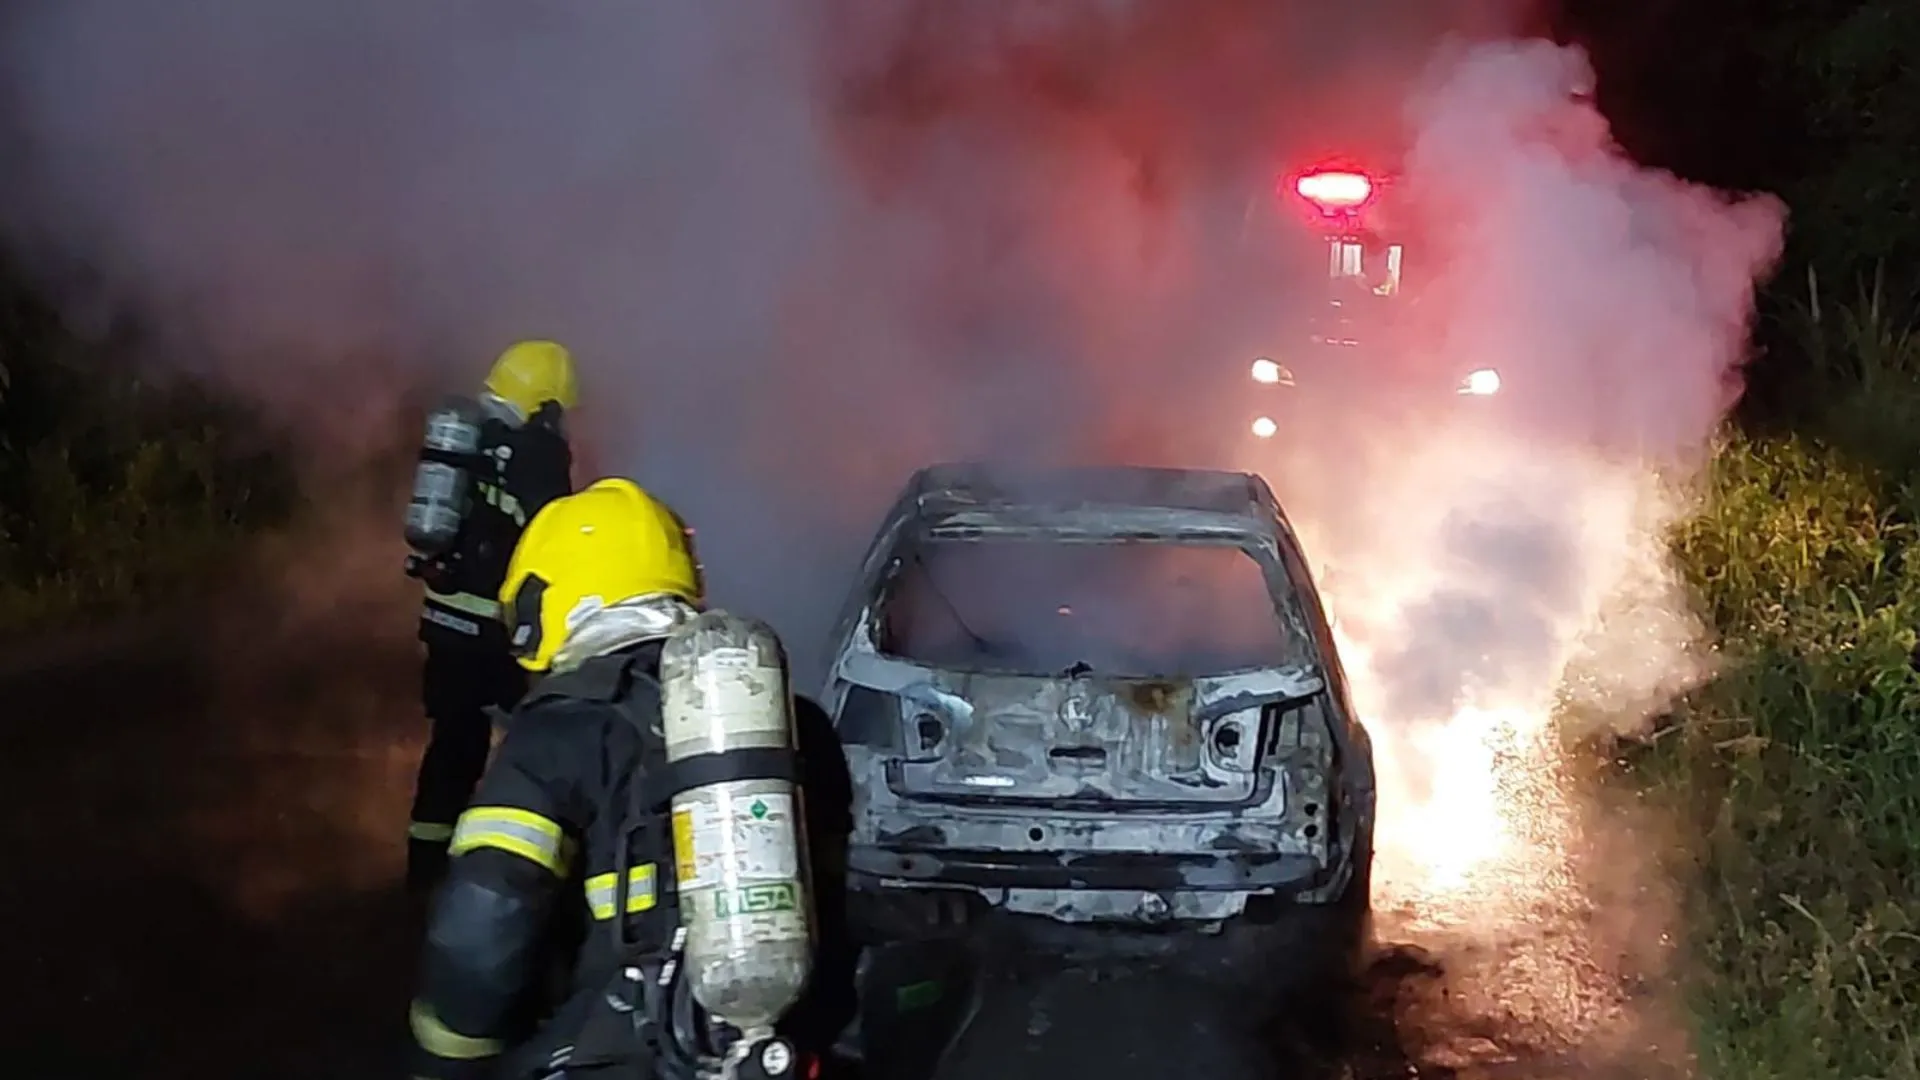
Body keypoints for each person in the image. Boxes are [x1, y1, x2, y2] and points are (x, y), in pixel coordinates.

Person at [404, 477, 855, 1080]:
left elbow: (486, 912)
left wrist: (446, 1060)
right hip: (785, 1054)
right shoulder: (792, 722)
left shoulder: (562, 731)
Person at [406, 339, 578, 894]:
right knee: (537, 747)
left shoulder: (468, 435)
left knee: (453, 746)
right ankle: (511, 874)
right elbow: (549, 534)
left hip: (446, 623)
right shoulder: (538, 451)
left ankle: (424, 871)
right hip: (495, 632)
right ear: (545, 401)